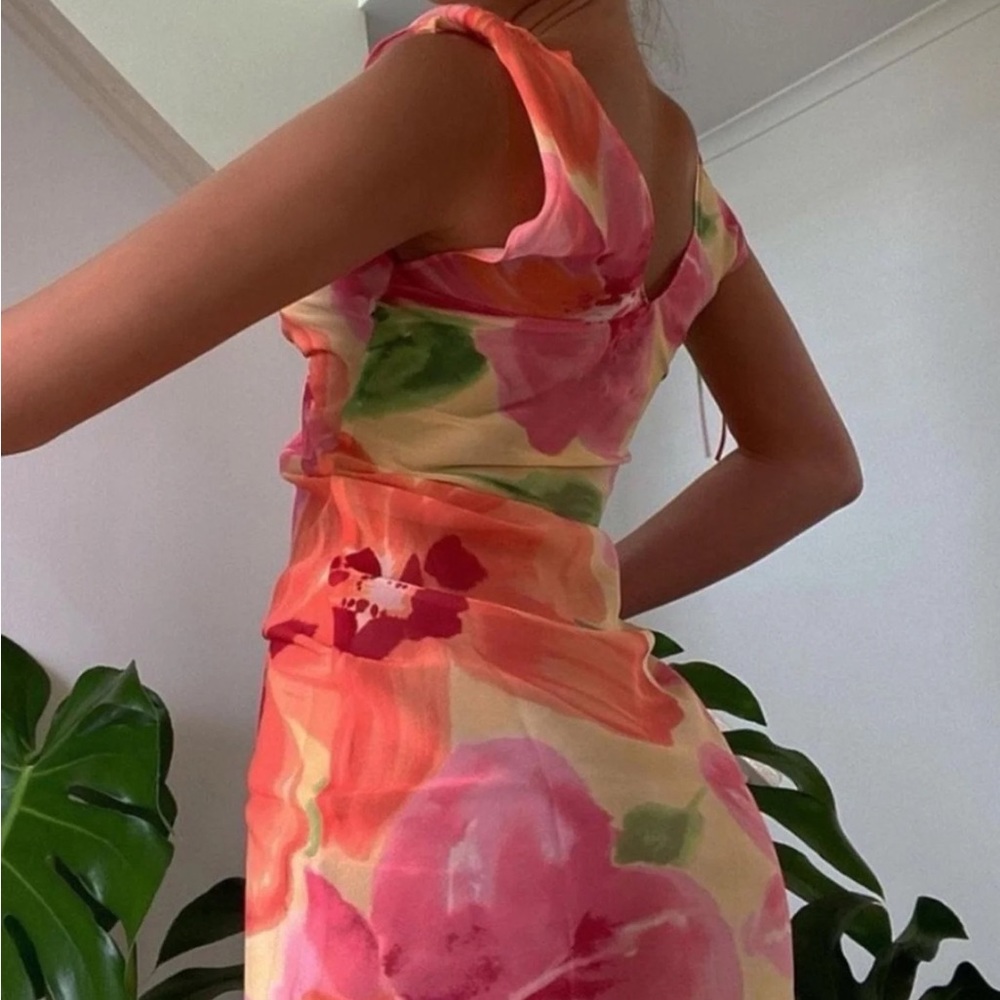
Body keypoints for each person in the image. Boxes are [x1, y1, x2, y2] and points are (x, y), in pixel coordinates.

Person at [2, 0, 863, 994]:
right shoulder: (688, 190)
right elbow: (811, 463)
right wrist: (549, 599)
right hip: (664, 827)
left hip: (427, 810)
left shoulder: (458, 88)